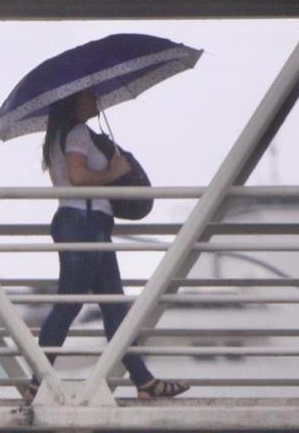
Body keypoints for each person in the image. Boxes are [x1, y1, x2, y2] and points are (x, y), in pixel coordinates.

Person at [24, 89, 190, 401]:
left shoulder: (57, 138)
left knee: (114, 307)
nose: (95, 99)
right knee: (71, 304)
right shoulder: (77, 133)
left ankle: (144, 381)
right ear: (73, 102)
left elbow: (68, 178)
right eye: (88, 96)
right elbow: (78, 176)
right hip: (85, 223)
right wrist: (113, 171)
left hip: (83, 222)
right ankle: (37, 379)